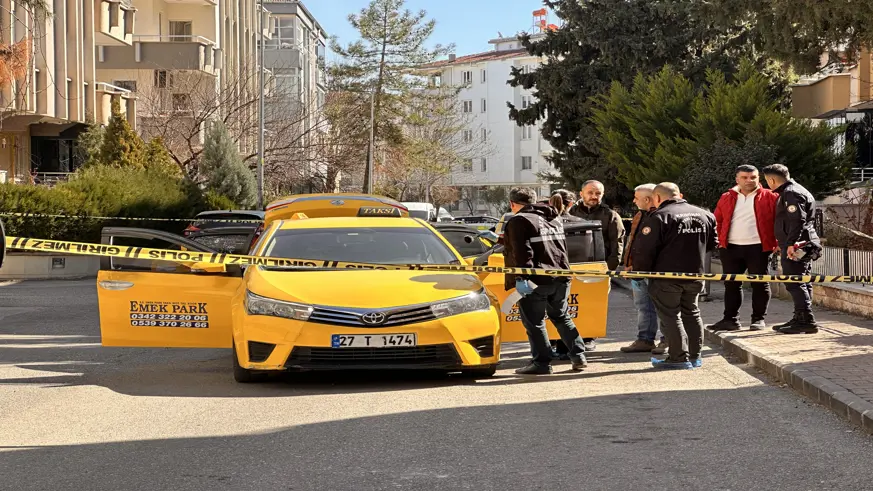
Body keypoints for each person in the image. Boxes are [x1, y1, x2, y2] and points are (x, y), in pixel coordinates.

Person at [503, 186, 588, 375]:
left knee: (535, 322)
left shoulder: (519, 220)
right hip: (560, 276)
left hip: (536, 279)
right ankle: (578, 356)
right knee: (561, 316)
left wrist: (521, 277)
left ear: (512, 204)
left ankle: (541, 363)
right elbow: (549, 245)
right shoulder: (552, 217)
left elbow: (523, 252)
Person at [633, 183, 717, 369]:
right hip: (695, 274)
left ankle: (678, 357)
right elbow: (712, 245)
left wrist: (639, 273)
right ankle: (695, 356)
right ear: (680, 194)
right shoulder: (705, 214)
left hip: (666, 277)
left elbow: (645, 250)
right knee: (692, 313)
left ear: (657, 198)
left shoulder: (659, 217)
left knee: (670, 316)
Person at [709, 165, 778, 332]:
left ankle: (758, 319)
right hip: (730, 247)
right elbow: (717, 220)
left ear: (758, 178)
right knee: (731, 285)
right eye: (745, 177)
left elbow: (778, 221)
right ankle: (730, 320)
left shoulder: (770, 197)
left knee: (760, 284)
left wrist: (775, 243)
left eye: (753, 177)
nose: (749, 180)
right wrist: (719, 240)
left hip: (759, 247)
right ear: (737, 179)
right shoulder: (726, 197)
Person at [762, 164, 822, 334]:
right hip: (802, 242)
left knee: (794, 282)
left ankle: (805, 320)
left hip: (798, 244)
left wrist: (790, 244)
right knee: (802, 281)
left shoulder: (791, 193)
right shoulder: (796, 189)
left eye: (767, 181)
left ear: (771, 179)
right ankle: (801, 317)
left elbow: (797, 220)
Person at [568, 180, 625, 351]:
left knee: (593, 305)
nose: (594, 196)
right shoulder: (570, 212)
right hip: (572, 268)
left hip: (599, 268)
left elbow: (618, 243)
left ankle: (588, 337)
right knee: (572, 304)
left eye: (598, 193)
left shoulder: (610, 215)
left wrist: (609, 268)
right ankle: (569, 338)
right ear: (581, 193)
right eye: (590, 192)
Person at [619, 184, 667, 354]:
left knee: (663, 308)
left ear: (647, 199)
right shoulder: (640, 215)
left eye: (636, 197)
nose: (633, 200)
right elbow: (633, 242)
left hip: (656, 272)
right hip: (637, 271)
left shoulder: (662, 217)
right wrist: (629, 263)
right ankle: (645, 339)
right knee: (643, 306)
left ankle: (666, 341)